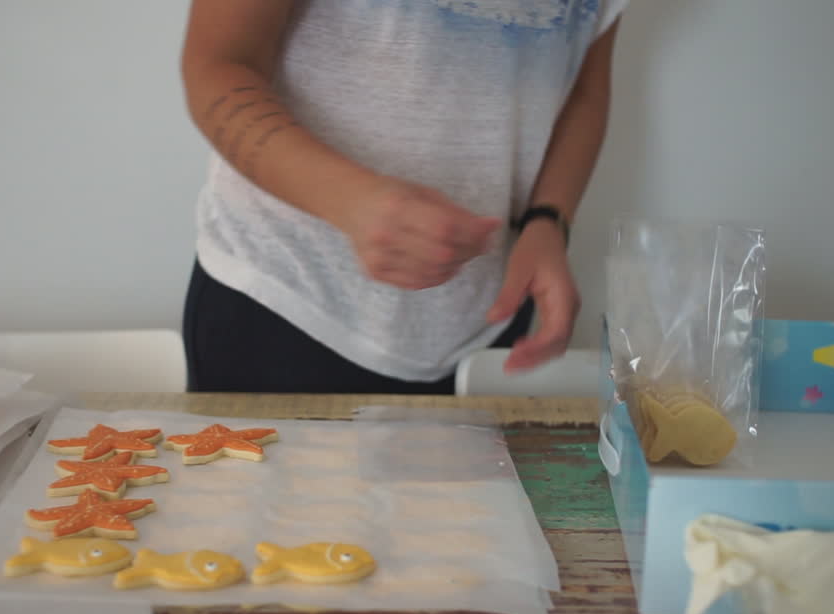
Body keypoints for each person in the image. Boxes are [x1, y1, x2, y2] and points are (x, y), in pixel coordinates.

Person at [179, 0, 625, 393]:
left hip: (489, 324)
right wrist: (346, 199)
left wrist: (548, 220)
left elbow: (585, 88)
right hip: (281, 299)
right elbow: (217, 63)